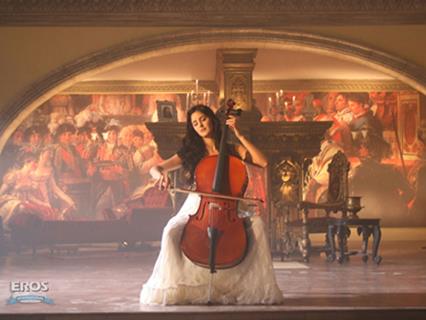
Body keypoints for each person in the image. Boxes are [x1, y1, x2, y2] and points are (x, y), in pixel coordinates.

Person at [140, 104, 283, 305]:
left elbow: (263, 161)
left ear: (212, 119)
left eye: (203, 119)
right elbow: (156, 168)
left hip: (230, 206)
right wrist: (161, 176)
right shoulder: (191, 152)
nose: (200, 125)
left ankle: (247, 286)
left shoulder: (232, 149)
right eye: (195, 123)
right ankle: (180, 286)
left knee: (257, 225)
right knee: (171, 231)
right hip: (198, 205)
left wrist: (239, 134)